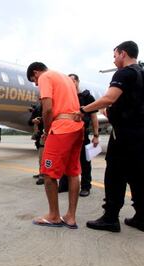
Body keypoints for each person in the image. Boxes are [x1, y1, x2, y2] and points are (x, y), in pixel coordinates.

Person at [80, 41, 144, 233]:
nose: (114, 60)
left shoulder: (124, 73)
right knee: (139, 176)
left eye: (115, 55)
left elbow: (109, 98)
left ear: (123, 54)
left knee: (115, 176)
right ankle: (142, 218)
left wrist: (83, 109)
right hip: (141, 134)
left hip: (123, 135)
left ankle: (111, 218)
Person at [26, 62, 84, 229]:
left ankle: (53, 216)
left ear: (36, 73)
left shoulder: (45, 76)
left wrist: (46, 129)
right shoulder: (66, 78)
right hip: (76, 127)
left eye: (34, 80)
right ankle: (71, 217)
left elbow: (48, 109)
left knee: (48, 173)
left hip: (61, 129)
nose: (36, 84)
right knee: (73, 172)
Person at [58, 74, 99, 196]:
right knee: (65, 161)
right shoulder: (65, 98)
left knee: (85, 162)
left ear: (77, 82)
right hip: (67, 135)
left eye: (73, 81)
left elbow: (94, 117)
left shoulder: (87, 97)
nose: (70, 83)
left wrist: (96, 135)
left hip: (82, 135)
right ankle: (64, 185)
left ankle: (86, 186)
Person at [28, 103, 44, 185]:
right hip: (39, 136)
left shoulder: (52, 107)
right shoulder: (37, 108)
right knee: (40, 157)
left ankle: (44, 175)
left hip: (48, 135)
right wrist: (33, 120)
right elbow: (29, 122)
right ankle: (42, 173)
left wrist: (41, 120)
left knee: (45, 157)